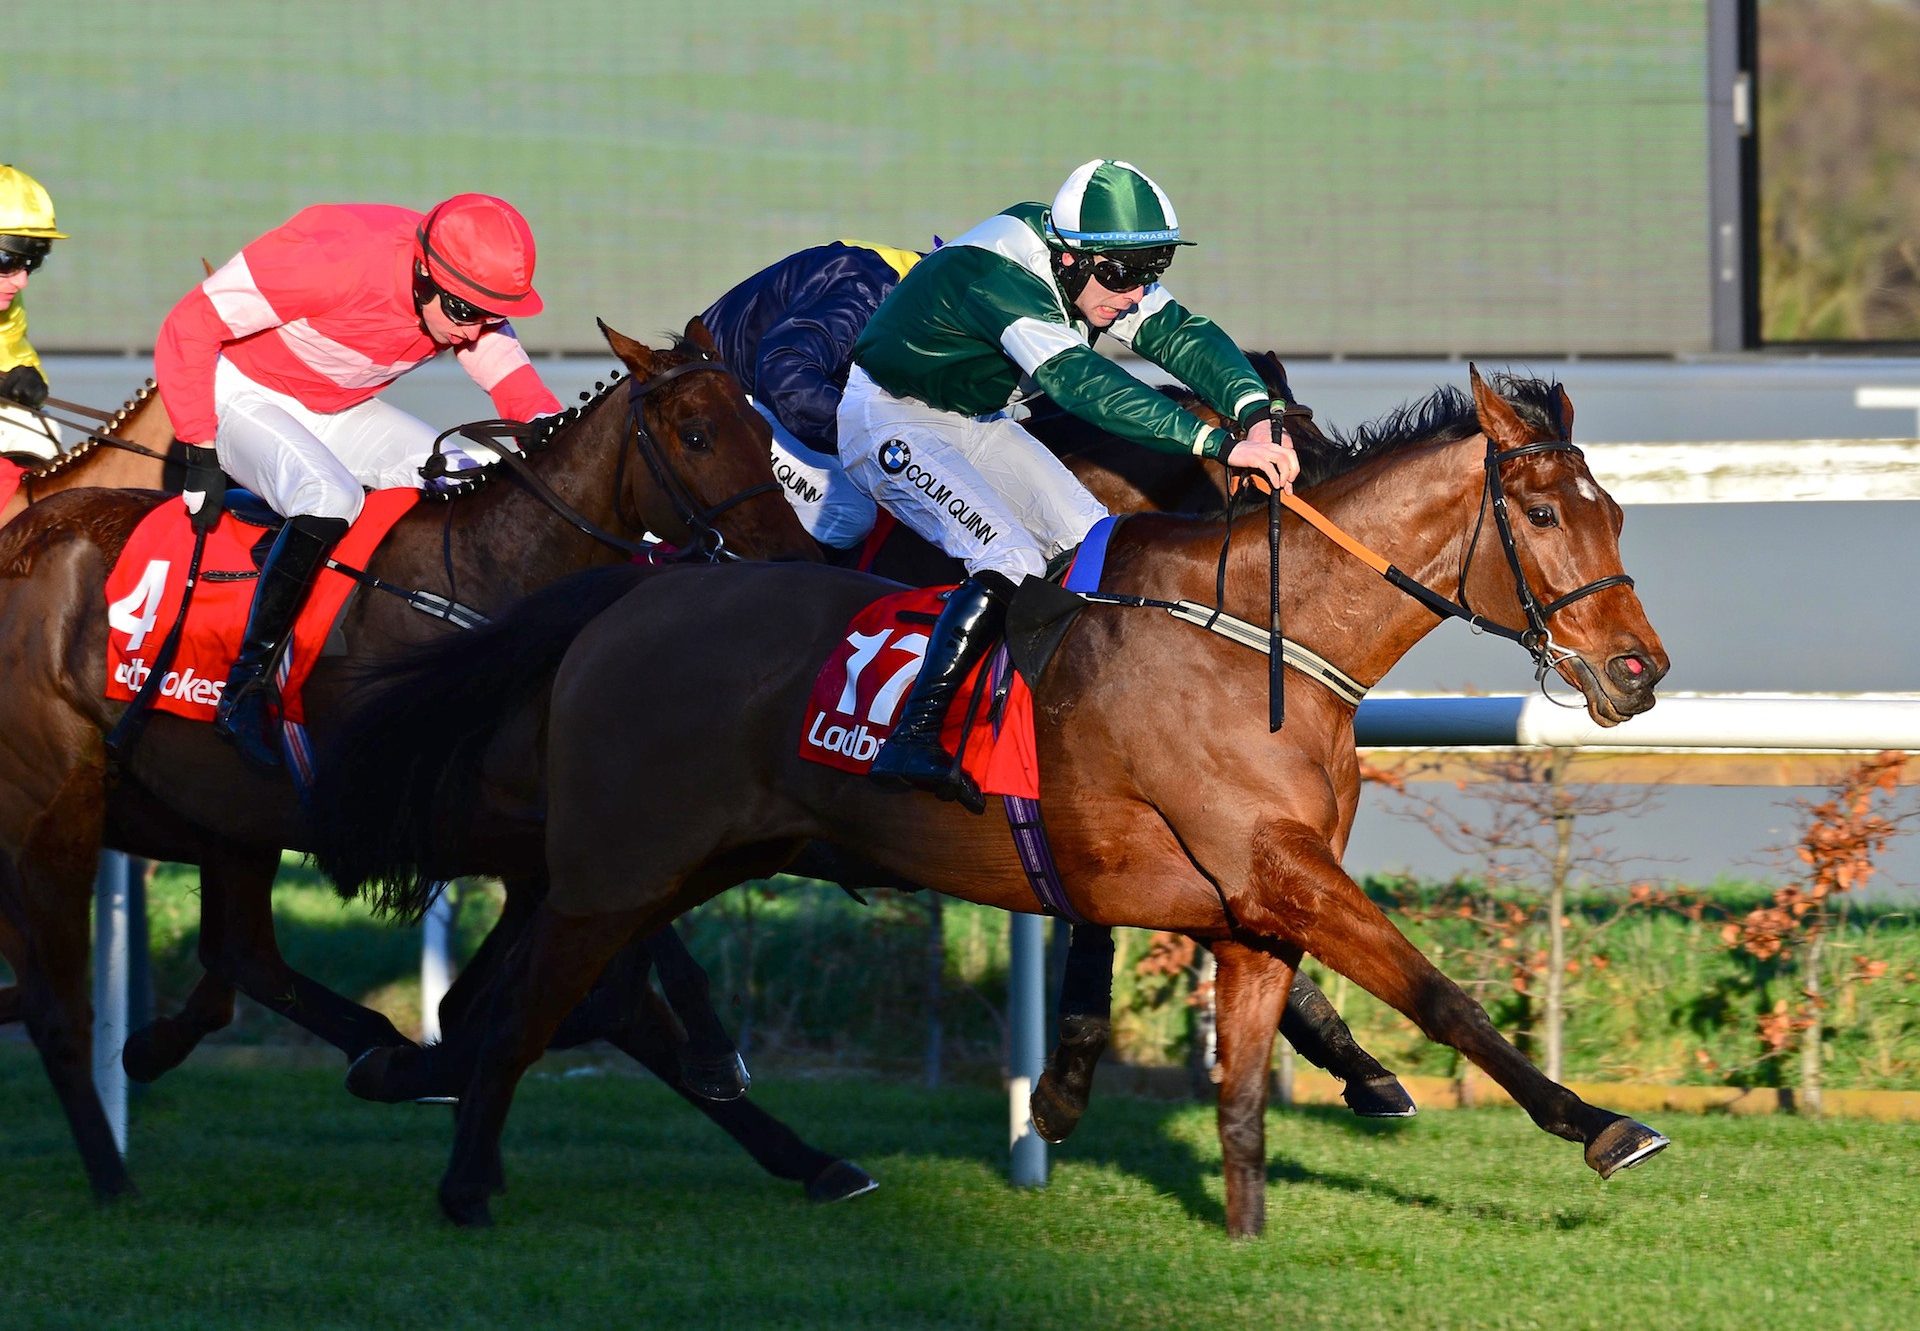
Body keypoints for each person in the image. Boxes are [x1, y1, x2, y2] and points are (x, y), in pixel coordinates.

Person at [841, 159, 1300, 810]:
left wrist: (1256, 409)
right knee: (1010, 557)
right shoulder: (999, 275)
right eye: (1120, 275)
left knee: (1096, 546)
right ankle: (913, 735)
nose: (1134, 292)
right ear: (1068, 259)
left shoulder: (1094, 267)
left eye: (1153, 268)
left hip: (977, 419)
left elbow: (1181, 336)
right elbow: (1083, 383)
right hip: (890, 417)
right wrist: (1220, 444)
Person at [155, 193, 563, 767]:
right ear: (424, 274)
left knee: (477, 475)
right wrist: (198, 445)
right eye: (465, 314)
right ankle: (247, 686)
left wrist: (551, 430)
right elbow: (188, 325)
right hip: (242, 393)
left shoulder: (463, 298)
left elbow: (505, 369)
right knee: (330, 496)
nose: (474, 334)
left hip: (340, 407)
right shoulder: (333, 259)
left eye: (490, 316)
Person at [699, 239, 931, 549]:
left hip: (755, 388)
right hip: (725, 397)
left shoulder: (915, 285)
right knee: (848, 513)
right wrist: (872, 438)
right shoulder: (867, 292)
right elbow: (786, 376)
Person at [0, 163, 67, 464]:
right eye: (6, 261)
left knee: (38, 431)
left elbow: (13, 355)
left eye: (33, 263)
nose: (21, 281)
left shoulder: (9, 302)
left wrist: (28, 378)